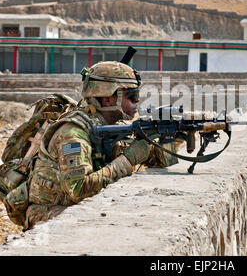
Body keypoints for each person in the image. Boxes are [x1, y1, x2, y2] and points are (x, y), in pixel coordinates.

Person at [24, 61, 172, 230]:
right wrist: (128, 160)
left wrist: (172, 134)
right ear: (109, 98)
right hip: (48, 214)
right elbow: (78, 189)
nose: (137, 102)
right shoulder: (73, 134)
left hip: (72, 209)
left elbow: (164, 161)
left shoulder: (111, 128)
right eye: (132, 96)